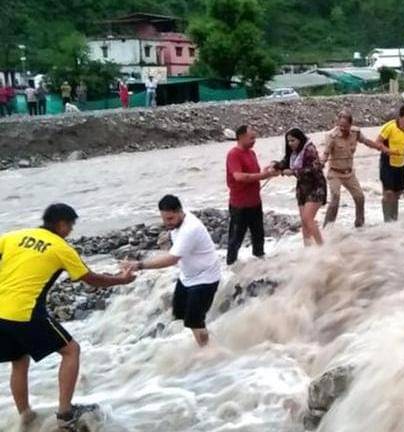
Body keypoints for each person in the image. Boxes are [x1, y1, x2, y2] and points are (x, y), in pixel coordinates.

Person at [0, 204, 135, 429]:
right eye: (70, 226)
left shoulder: (13, 236)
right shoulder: (61, 248)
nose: (71, 231)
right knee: (71, 350)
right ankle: (65, 413)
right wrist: (122, 280)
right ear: (62, 223)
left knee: (19, 361)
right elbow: (90, 279)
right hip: (26, 312)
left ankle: (24, 416)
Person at [122, 196, 220, 347]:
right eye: (164, 219)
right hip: (187, 276)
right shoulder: (178, 221)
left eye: (170, 219)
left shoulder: (190, 229)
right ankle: (203, 341)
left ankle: (207, 350)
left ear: (180, 212)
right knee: (180, 313)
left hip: (205, 278)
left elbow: (171, 259)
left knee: (194, 320)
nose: (167, 223)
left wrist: (139, 265)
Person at [321, 110, 388, 228]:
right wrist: (321, 162)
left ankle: (359, 224)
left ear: (350, 125)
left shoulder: (356, 133)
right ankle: (327, 228)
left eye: (345, 126)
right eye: (340, 126)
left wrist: (380, 148)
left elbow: (366, 141)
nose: (342, 128)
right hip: (335, 173)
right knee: (335, 199)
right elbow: (326, 154)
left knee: (360, 197)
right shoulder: (331, 136)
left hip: (349, 173)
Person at [225, 125, 278, 265]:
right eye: (251, 138)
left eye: (255, 138)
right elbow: (239, 177)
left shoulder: (251, 153)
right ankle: (230, 265)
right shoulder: (233, 154)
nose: (254, 141)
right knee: (236, 238)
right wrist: (263, 175)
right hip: (239, 204)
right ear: (241, 137)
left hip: (255, 202)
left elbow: (256, 173)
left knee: (258, 234)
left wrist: (267, 171)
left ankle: (260, 262)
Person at [273, 128, 327, 246]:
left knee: (308, 219)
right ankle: (307, 249)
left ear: (300, 139)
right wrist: (275, 166)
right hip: (302, 188)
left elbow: (314, 169)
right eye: (289, 141)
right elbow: (285, 161)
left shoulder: (309, 149)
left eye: (293, 140)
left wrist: (293, 172)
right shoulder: (293, 152)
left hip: (316, 187)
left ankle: (322, 247)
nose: (290, 143)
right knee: (304, 221)